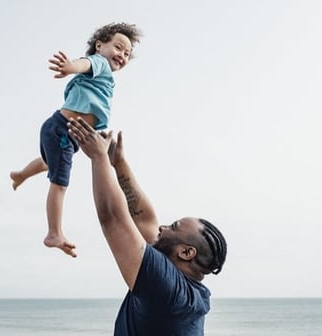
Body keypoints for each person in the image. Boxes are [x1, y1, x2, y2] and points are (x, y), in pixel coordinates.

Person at [67, 117, 228, 335]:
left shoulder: (166, 290)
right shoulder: (186, 284)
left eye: (174, 226)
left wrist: (98, 157)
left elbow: (113, 219)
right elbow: (144, 220)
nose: (162, 227)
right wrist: (118, 163)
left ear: (187, 252)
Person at [10, 23, 142, 257]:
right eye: (118, 47)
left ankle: (21, 174)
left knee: (49, 162)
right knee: (60, 183)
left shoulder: (104, 78)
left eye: (127, 54)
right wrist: (72, 67)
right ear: (100, 46)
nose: (122, 55)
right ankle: (54, 232)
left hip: (65, 132)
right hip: (62, 129)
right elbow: (86, 63)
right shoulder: (99, 63)